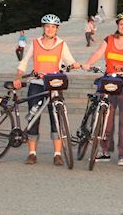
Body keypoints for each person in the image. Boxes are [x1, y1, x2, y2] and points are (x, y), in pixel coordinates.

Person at [13, 14, 80, 166]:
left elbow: (69, 60)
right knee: (33, 117)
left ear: (57, 29)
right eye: (47, 26)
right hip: (37, 84)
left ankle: (57, 154)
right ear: (43, 28)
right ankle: (32, 153)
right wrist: (18, 77)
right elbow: (24, 62)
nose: (50, 29)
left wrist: (75, 64)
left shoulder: (62, 44)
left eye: (53, 27)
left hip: (55, 85)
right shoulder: (35, 43)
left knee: (56, 118)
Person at [83, 13, 123, 166]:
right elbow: (98, 53)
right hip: (109, 80)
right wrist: (88, 63)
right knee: (106, 118)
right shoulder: (109, 39)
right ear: (118, 25)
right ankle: (105, 150)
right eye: (121, 24)